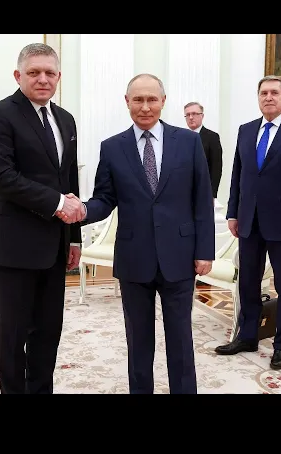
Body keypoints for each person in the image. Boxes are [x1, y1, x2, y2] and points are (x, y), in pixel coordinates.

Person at [57, 74, 215, 394]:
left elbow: (202, 199)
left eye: (152, 99)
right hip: (134, 258)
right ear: (127, 102)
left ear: (163, 101)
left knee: (181, 340)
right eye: (138, 100)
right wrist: (83, 210)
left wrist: (205, 251)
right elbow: (105, 198)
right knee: (138, 341)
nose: (145, 107)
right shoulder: (112, 147)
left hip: (180, 256)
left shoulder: (189, 142)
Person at [0, 43, 83, 394]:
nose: (42, 79)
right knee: (13, 334)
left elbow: (69, 180)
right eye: (34, 72)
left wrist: (74, 237)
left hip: (55, 245)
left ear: (58, 77)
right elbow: (0, 177)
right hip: (15, 246)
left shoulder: (65, 119)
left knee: (48, 331)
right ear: (18, 75)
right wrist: (57, 202)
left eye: (49, 73)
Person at [214, 75, 281, 370]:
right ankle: (247, 336)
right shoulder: (246, 130)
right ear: (258, 98)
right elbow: (238, 175)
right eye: (264, 93)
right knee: (248, 282)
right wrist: (233, 213)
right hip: (249, 221)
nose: (269, 97)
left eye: (274, 93)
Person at [183, 102, 223, 200]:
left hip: (204, 190)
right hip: (183, 191)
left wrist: (212, 194)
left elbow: (216, 168)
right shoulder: (181, 137)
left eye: (194, 114)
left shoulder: (212, 137)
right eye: (187, 115)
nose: (191, 117)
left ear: (202, 116)